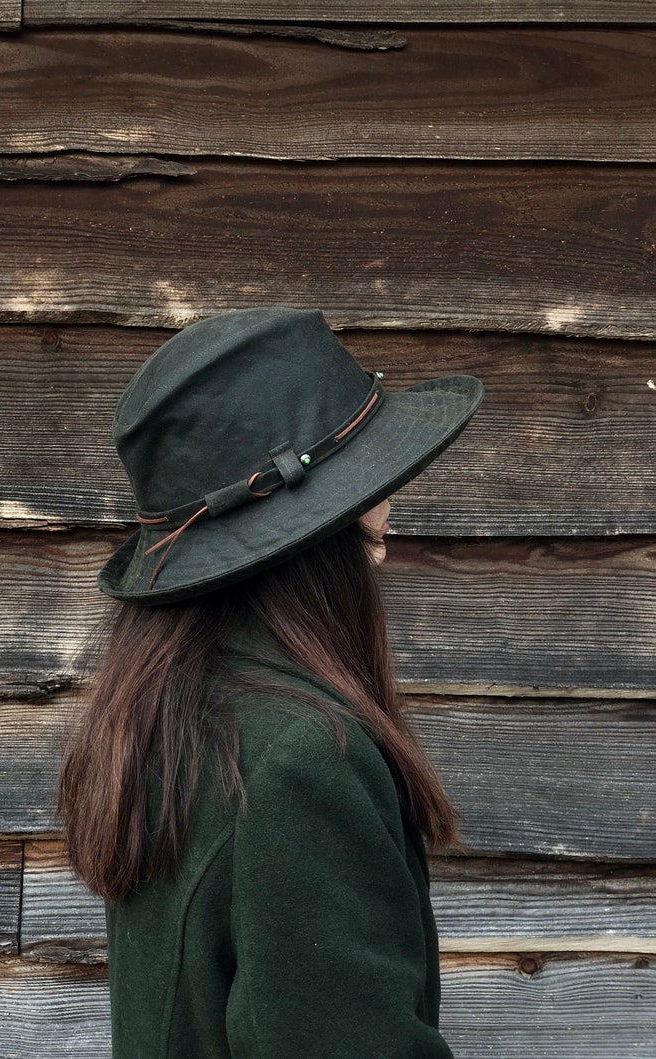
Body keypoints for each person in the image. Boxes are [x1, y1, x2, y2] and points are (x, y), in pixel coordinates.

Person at [57, 307, 484, 1058]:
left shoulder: (168, 713)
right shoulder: (301, 760)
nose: (389, 508)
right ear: (318, 524)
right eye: (369, 480)